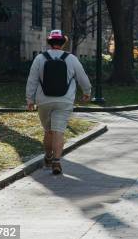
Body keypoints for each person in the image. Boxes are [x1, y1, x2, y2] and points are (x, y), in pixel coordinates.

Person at [26, 30, 92, 175]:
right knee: (59, 131)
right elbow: (82, 77)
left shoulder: (39, 58)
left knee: (48, 131)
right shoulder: (72, 58)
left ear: (49, 42)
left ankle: (48, 157)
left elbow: (32, 80)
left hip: (44, 101)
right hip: (64, 100)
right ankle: (57, 161)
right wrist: (87, 92)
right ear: (63, 43)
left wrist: (30, 99)